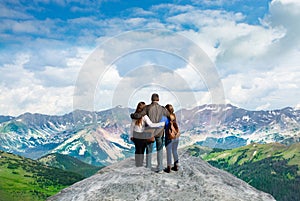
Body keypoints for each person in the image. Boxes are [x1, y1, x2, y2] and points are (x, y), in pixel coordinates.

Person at [130, 93, 169, 172]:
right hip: (160, 132)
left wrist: (132, 115)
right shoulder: (163, 109)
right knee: (159, 149)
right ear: (158, 100)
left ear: (151, 99)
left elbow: (139, 116)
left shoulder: (147, 108)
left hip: (149, 132)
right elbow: (168, 116)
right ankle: (160, 168)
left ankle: (148, 166)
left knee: (149, 149)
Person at [164, 104, 180, 173]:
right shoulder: (174, 116)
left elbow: (163, 127)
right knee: (175, 151)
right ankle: (176, 165)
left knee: (169, 152)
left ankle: (169, 167)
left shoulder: (166, 118)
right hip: (176, 136)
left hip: (169, 137)